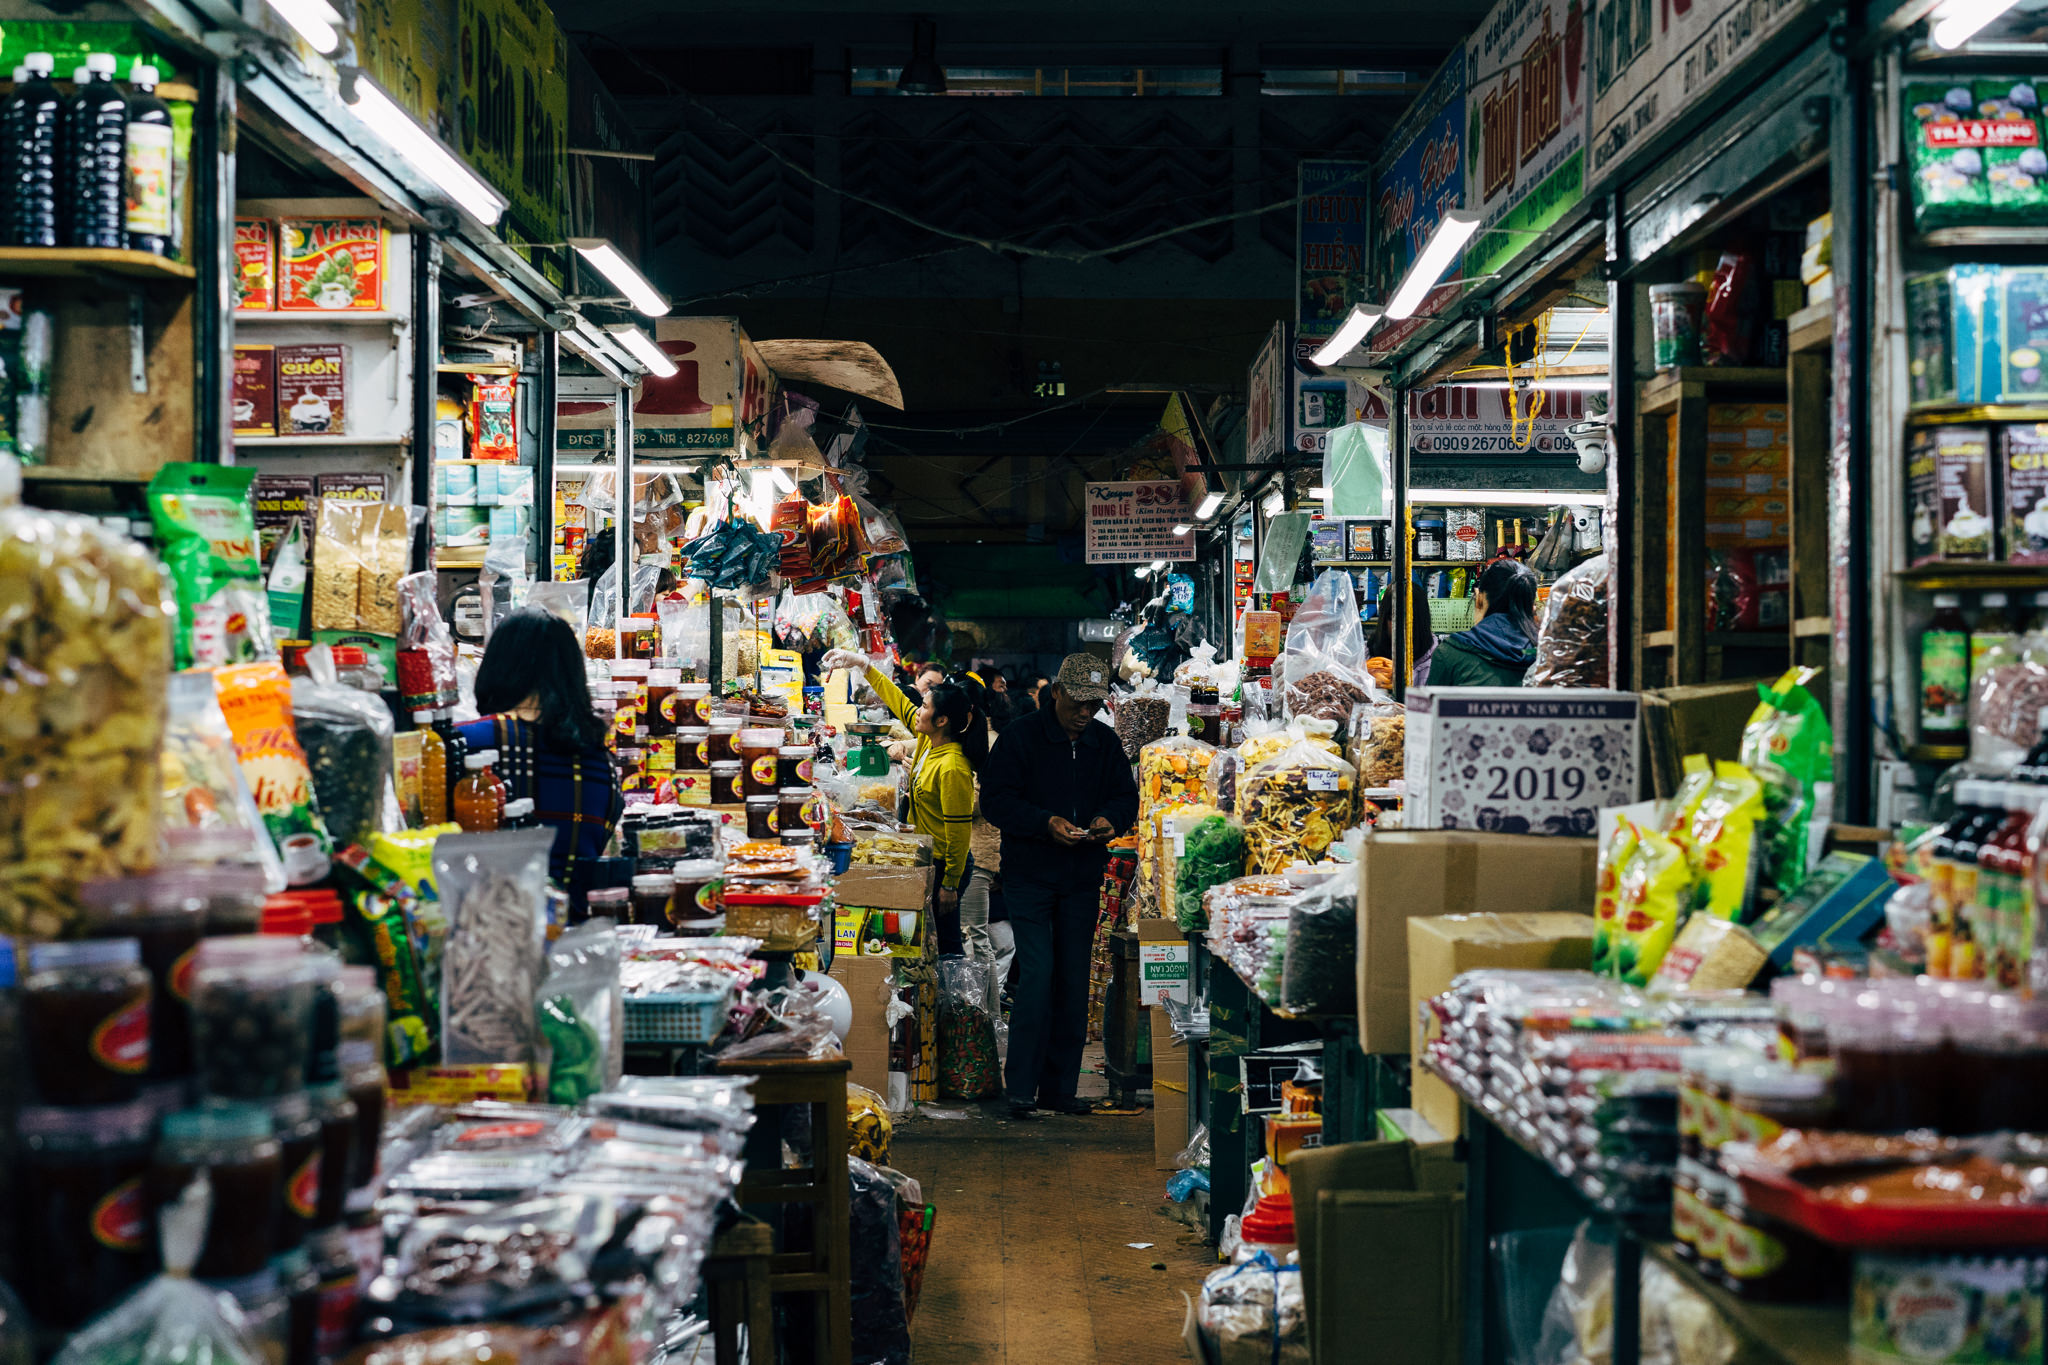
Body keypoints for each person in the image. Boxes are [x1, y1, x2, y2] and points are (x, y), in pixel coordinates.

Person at [979, 653, 1139, 1119]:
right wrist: (1043, 822)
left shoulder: (1104, 743)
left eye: (1095, 704)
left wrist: (1109, 819)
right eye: (1078, 702)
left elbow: (1125, 796)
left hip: (1081, 879)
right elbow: (996, 801)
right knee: (1037, 975)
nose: (1085, 712)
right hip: (1029, 877)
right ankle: (1021, 1089)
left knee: (1072, 979)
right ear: (1058, 693)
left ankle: (1060, 1090)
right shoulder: (1021, 737)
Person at [824, 650, 987, 955]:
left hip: (946, 865)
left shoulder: (952, 767)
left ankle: (958, 986)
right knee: (926, 943)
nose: (918, 710)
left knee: (946, 945)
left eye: (924, 706)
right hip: (926, 856)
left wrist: (950, 884)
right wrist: (864, 665)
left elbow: (959, 833)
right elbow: (899, 701)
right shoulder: (929, 740)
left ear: (941, 720)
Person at [457, 607, 625, 898]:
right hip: (574, 920)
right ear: (573, 675)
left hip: (482, 917)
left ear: (495, 666)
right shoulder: (599, 761)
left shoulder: (465, 741)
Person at [1421, 557, 1540, 687]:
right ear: (1532, 606)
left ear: (1479, 599)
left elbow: (1434, 699)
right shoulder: (1549, 653)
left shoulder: (1449, 653)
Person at [1367, 586, 1437, 687]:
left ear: (1422, 621)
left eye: (1409, 619)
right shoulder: (1366, 656)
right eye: (1392, 618)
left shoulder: (1437, 663)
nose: (1400, 626)